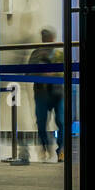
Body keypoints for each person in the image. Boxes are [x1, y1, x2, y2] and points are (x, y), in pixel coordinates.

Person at [27, 26, 65, 162]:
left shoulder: (59, 54)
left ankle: (61, 150)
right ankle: (45, 146)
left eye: (47, 38)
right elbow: (28, 71)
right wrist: (41, 73)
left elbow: (66, 72)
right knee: (41, 123)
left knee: (62, 121)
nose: (46, 41)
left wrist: (54, 73)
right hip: (41, 93)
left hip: (58, 93)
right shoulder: (36, 53)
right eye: (44, 39)